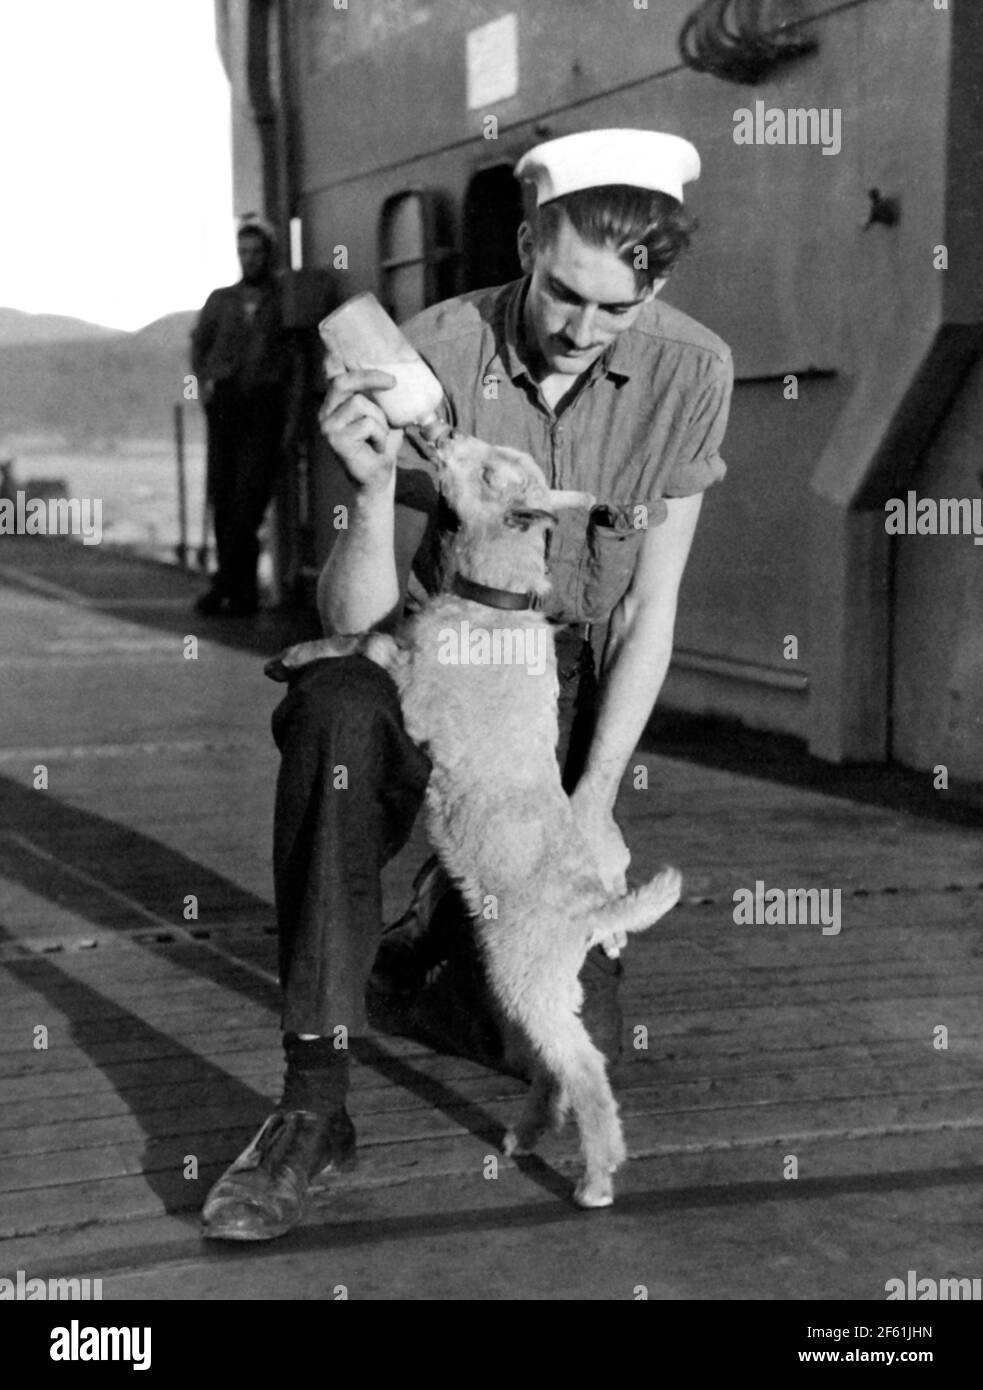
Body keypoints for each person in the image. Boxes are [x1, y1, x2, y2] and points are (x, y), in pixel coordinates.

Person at [201, 130, 734, 1241]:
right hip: (425, 645)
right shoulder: (430, 349)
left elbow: (646, 609)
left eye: (614, 310)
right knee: (332, 713)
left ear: (656, 288)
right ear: (526, 243)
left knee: (530, 1012)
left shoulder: (692, 371)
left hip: (561, 677)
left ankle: (429, 948)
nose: (582, 332)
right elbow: (352, 617)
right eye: (563, 294)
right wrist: (362, 485)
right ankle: (311, 1108)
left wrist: (586, 807)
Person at [190, 215, 295, 615]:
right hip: (226, 405)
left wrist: (289, 419)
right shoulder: (221, 299)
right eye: (243, 252)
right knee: (223, 497)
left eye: (256, 251)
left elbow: (296, 360)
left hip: (265, 406)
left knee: (249, 502)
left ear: (268, 254)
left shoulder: (283, 298)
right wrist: (204, 389)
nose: (249, 259)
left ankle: (224, 585)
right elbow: (199, 347)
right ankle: (242, 592)